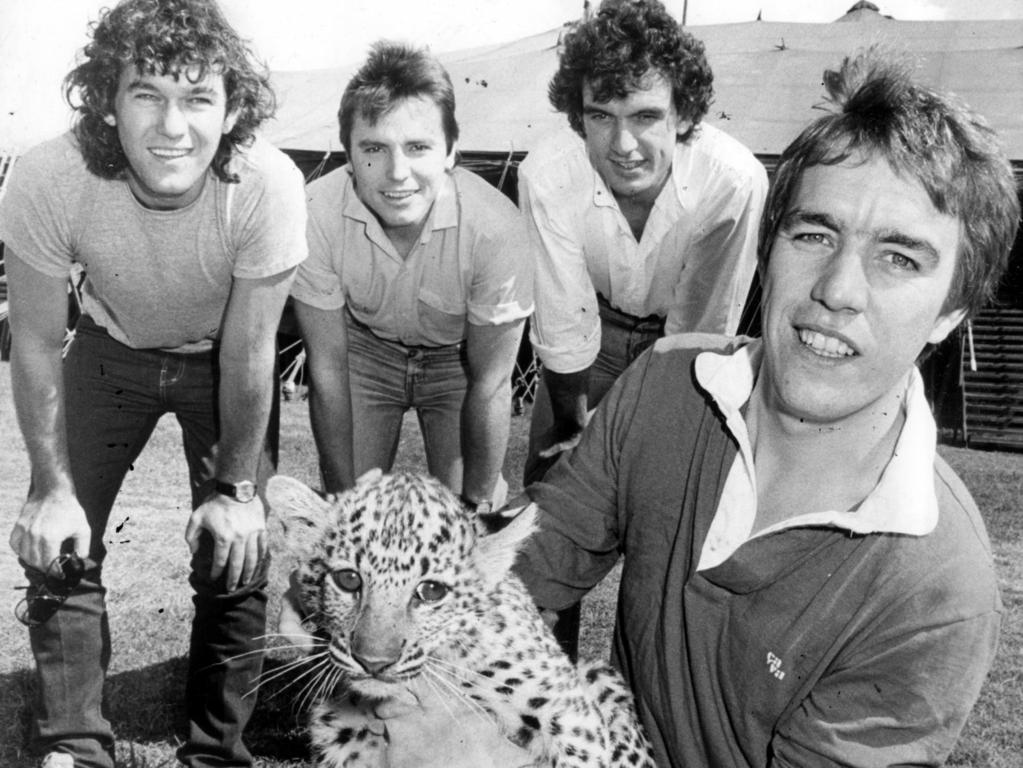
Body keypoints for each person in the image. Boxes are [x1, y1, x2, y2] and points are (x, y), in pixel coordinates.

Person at [511, 49, 1019, 767]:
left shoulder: (936, 587)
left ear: (950, 313)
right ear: (768, 248)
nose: (838, 288)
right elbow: (522, 572)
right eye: (813, 234)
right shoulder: (664, 389)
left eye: (898, 258)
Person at [0, 1, 307, 766]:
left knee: (240, 549)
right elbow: (35, 339)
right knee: (59, 535)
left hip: (220, 357)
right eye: (148, 94)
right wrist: (48, 483)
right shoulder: (46, 174)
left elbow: (250, 351)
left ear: (232, 108)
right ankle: (74, 742)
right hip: (109, 346)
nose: (173, 126)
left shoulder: (269, 183)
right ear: (108, 100)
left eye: (198, 97)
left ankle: (215, 748)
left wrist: (236, 494)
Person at [519, 0, 768, 486]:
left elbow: (701, 330)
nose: (623, 145)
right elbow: (565, 326)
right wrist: (572, 432)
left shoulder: (733, 184)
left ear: (683, 113)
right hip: (591, 330)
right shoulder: (546, 175)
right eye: (602, 117)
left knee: (665, 495)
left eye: (646, 117)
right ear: (578, 117)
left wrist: (657, 434)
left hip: (681, 345)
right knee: (552, 491)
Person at [290, 41, 532, 511]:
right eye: (375, 148)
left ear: (451, 152)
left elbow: (492, 382)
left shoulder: (496, 228)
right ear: (349, 152)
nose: (397, 173)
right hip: (364, 354)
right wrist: (342, 508)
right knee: (351, 512)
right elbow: (326, 368)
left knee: (468, 513)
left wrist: (478, 509)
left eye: (418, 147)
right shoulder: (313, 213)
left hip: (457, 361)